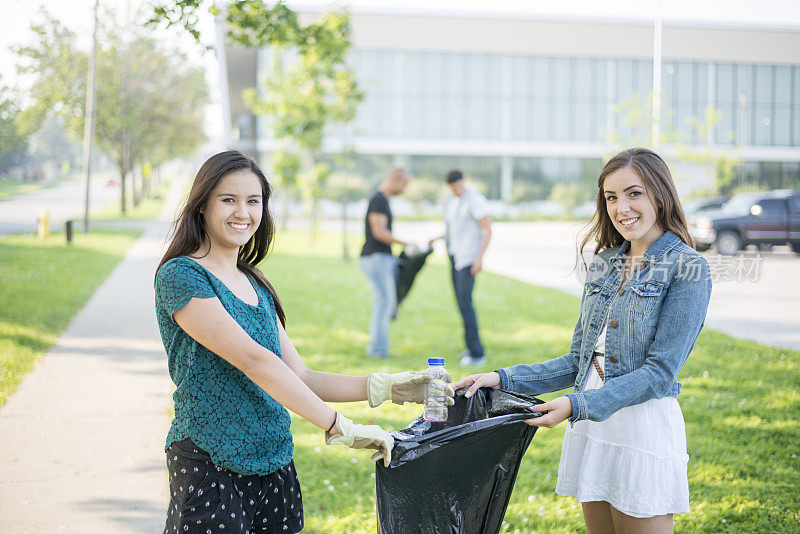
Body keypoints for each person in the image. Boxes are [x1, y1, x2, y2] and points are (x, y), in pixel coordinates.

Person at [154, 151, 452, 533]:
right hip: (209, 458)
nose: (242, 212)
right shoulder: (182, 275)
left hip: (274, 459)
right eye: (228, 199)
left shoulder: (255, 283)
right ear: (202, 206)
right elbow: (254, 361)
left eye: (253, 201)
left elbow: (302, 377)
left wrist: (386, 386)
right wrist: (339, 426)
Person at [454, 148, 712, 533]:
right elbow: (579, 359)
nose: (621, 207)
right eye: (611, 197)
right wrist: (502, 378)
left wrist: (577, 405)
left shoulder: (688, 267)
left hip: (638, 430)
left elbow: (660, 373)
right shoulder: (606, 262)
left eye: (633, 193)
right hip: (591, 426)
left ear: (660, 194)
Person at [429, 169, 492, 366]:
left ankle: (477, 353)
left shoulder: (474, 199)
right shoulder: (450, 200)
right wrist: (437, 238)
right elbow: (453, 228)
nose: (456, 190)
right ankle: (471, 347)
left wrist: (479, 259)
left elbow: (487, 229)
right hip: (454, 256)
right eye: (452, 187)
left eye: (457, 186)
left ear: (463, 181)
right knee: (461, 303)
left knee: (466, 303)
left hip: (468, 259)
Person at [359, 168, 411, 358]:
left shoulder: (383, 200)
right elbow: (379, 233)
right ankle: (377, 350)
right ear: (395, 180)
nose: (404, 189)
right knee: (385, 303)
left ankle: (378, 348)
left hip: (380, 258)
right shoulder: (378, 200)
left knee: (385, 302)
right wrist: (406, 243)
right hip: (376, 257)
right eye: (404, 184)